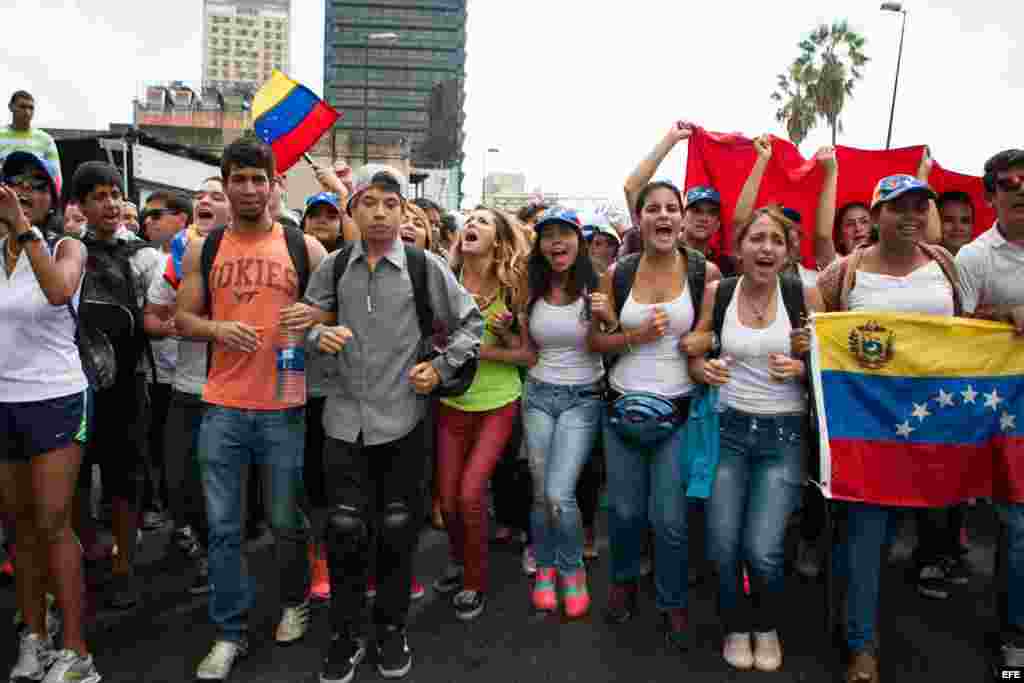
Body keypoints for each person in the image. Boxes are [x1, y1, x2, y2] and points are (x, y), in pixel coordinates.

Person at [301, 164, 482, 682]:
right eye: (368, 203)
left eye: (389, 204)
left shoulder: (426, 268)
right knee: (344, 531)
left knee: (399, 532)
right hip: (341, 422)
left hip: (404, 421)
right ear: (352, 210)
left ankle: (391, 629)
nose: (379, 213)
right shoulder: (333, 268)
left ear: (403, 211)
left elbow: (471, 321)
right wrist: (318, 337)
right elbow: (306, 324)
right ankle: (346, 632)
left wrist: (440, 367)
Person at [175, 137, 327, 681]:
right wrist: (217, 328)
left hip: (284, 404)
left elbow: (332, 315)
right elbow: (181, 319)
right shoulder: (204, 248)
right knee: (223, 527)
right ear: (225, 182)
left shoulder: (302, 246)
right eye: (237, 179)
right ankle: (228, 632)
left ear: (273, 184)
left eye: (257, 179)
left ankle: (294, 600)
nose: (247, 189)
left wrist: (311, 324)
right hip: (221, 405)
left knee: (286, 520)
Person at [816, 174, 962, 683]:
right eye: (898, 207)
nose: (911, 216)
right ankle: (862, 646)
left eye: (920, 206)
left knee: (925, 529)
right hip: (867, 427)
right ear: (876, 215)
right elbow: (817, 332)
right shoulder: (845, 272)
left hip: (934, 427)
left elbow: (968, 330)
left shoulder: (946, 266)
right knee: (866, 534)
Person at [688, 206, 822, 672]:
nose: (766, 248)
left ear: (788, 252)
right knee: (722, 544)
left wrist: (806, 368)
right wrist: (702, 368)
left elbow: (832, 370)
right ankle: (734, 626)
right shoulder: (717, 292)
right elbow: (696, 350)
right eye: (756, 238)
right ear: (739, 248)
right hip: (727, 430)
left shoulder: (805, 292)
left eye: (776, 241)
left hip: (784, 436)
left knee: (762, 548)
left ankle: (766, 625)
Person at [588, 178, 720, 650]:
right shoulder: (618, 274)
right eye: (653, 209)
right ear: (639, 219)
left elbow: (713, 334)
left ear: (682, 218)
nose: (663, 216)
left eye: (671, 208)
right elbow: (596, 342)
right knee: (624, 512)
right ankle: (623, 582)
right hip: (621, 409)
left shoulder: (705, 272)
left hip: (679, 412)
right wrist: (634, 337)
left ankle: (672, 599)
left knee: (669, 518)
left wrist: (701, 342)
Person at [0, 151, 99, 683]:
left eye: (37, 186)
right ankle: (35, 635)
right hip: (3, 401)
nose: (24, 193)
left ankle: (78, 650)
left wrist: (23, 229)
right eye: (13, 184)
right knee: (19, 529)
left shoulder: (67, 246)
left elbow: (58, 290)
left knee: (53, 522)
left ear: (52, 198)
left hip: (57, 398)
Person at [431, 206, 532, 622]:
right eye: (468, 220)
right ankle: (459, 560)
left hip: (498, 402)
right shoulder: (445, 282)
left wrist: (485, 345)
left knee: (472, 493)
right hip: (452, 402)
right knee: (450, 500)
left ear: (499, 239)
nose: (471, 225)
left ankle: (475, 579)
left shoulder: (514, 287)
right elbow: (432, 342)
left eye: (483, 221)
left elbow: (527, 354)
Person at [72, 161, 165, 611]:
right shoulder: (63, 251)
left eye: (115, 194)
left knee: (124, 483)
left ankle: (124, 565)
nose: (110, 204)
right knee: (72, 483)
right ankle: (88, 553)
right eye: (98, 196)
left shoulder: (145, 256)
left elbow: (160, 314)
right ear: (81, 205)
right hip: (73, 387)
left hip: (129, 385)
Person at [955, 148, 1024, 670]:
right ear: (990, 194)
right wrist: (1008, 315)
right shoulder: (974, 258)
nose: (1020, 189)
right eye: (1009, 183)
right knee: (1018, 528)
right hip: (1006, 415)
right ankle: (1014, 638)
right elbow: (955, 332)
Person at [146, 176, 231, 596]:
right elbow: (152, 318)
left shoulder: (244, 255)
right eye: (201, 195)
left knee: (223, 491)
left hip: (231, 393)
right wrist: (182, 325)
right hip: (185, 388)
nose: (206, 200)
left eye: (217, 195)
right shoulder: (176, 258)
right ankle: (208, 552)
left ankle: (224, 568)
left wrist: (204, 326)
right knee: (179, 486)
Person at [522, 207, 604, 618]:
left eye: (564, 233)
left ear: (580, 241)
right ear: (539, 246)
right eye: (548, 235)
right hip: (536, 393)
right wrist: (505, 331)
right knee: (540, 492)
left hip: (582, 397)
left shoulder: (597, 287)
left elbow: (603, 346)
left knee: (559, 492)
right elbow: (527, 350)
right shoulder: (530, 287)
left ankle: (571, 570)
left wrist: (602, 319)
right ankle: (545, 566)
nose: (556, 241)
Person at [139, 192, 191, 532]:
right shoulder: (145, 259)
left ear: (182, 219)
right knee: (163, 452)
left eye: (158, 214)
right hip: (157, 377)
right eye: (147, 215)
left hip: (195, 378)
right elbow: (147, 317)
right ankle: (171, 514)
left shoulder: (196, 254)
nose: (149, 221)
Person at [623, 121, 736, 276]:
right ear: (682, 217)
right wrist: (670, 139)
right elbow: (632, 188)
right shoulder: (658, 242)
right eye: (696, 210)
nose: (703, 218)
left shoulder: (725, 265)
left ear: (718, 224)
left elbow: (740, 221)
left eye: (711, 213)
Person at [733, 136, 840, 277]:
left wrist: (831, 171)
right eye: (780, 231)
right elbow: (740, 222)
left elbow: (823, 236)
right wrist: (762, 159)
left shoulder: (814, 280)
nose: (790, 234)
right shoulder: (751, 270)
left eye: (792, 228)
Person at [0, 91, 61, 180]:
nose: (27, 112)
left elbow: (56, 177)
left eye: (31, 108)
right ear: (11, 107)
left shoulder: (46, 140)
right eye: (22, 107)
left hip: (35, 192)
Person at [937, 191, 975, 256]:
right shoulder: (923, 264)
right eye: (948, 220)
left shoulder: (984, 260)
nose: (957, 227)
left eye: (965, 221)